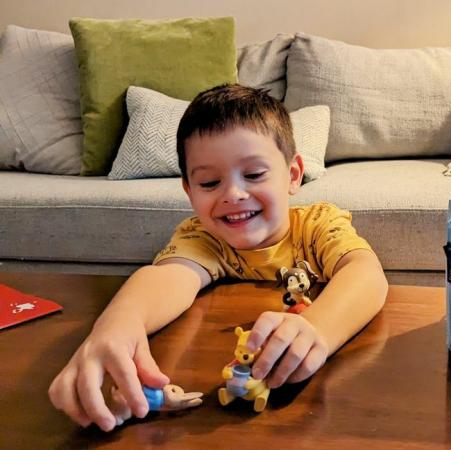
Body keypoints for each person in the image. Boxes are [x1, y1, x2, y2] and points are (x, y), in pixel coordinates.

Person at [48, 84, 388, 431]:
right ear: (189, 190)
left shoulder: (317, 224)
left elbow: (366, 273)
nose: (234, 194)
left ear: (293, 175)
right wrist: (117, 324)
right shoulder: (204, 236)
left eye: (254, 175)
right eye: (210, 182)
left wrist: (318, 328)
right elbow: (166, 277)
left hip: (320, 404)